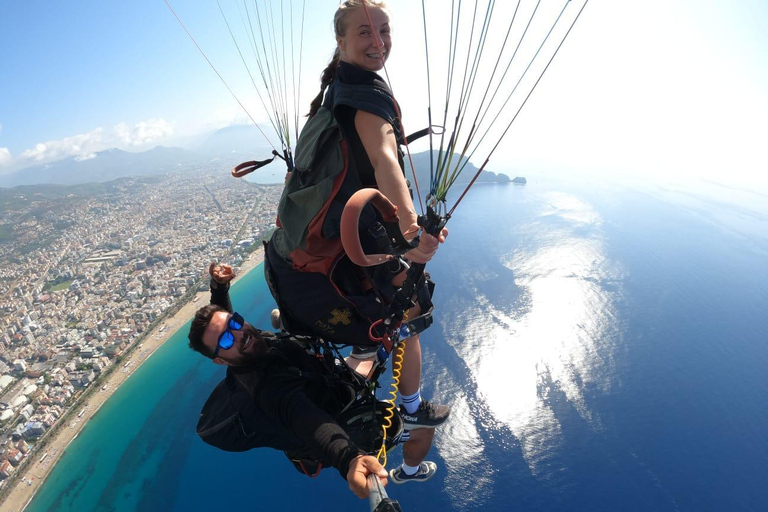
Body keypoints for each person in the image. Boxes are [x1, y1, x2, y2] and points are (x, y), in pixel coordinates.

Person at [264, 0, 449, 482]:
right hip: (341, 261)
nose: (378, 41)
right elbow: (387, 161)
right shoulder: (365, 95)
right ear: (341, 42)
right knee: (412, 305)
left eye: (384, 30)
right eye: (364, 32)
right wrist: (411, 235)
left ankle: (357, 362)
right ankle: (410, 407)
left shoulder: (333, 92)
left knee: (380, 319)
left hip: (296, 262)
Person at [188, 263, 438, 500]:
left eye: (235, 323)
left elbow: (222, 325)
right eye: (226, 341)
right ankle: (410, 472)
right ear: (220, 361)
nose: (238, 335)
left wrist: (219, 288)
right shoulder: (268, 389)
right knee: (425, 431)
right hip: (332, 416)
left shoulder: (245, 344)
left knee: (366, 344)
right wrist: (349, 458)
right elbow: (305, 418)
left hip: (324, 377)